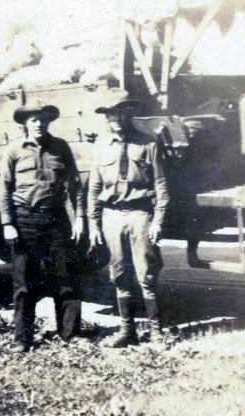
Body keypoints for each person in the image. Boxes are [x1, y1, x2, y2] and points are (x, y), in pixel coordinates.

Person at [0, 101, 86, 352]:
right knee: (25, 284)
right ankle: (22, 339)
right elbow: (4, 188)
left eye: (44, 119)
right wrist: (8, 223)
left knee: (66, 278)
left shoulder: (60, 147)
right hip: (25, 219)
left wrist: (79, 217)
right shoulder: (14, 150)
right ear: (25, 123)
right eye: (34, 119)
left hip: (56, 220)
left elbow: (75, 185)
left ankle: (70, 333)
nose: (39, 123)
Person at [88, 88, 170, 347]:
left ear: (128, 113)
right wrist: (93, 222)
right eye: (109, 114)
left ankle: (156, 332)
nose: (114, 119)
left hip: (140, 214)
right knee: (119, 273)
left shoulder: (147, 143)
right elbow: (93, 187)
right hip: (112, 216)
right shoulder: (101, 146)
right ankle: (127, 331)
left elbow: (161, 185)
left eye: (118, 113)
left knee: (147, 274)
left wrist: (158, 220)